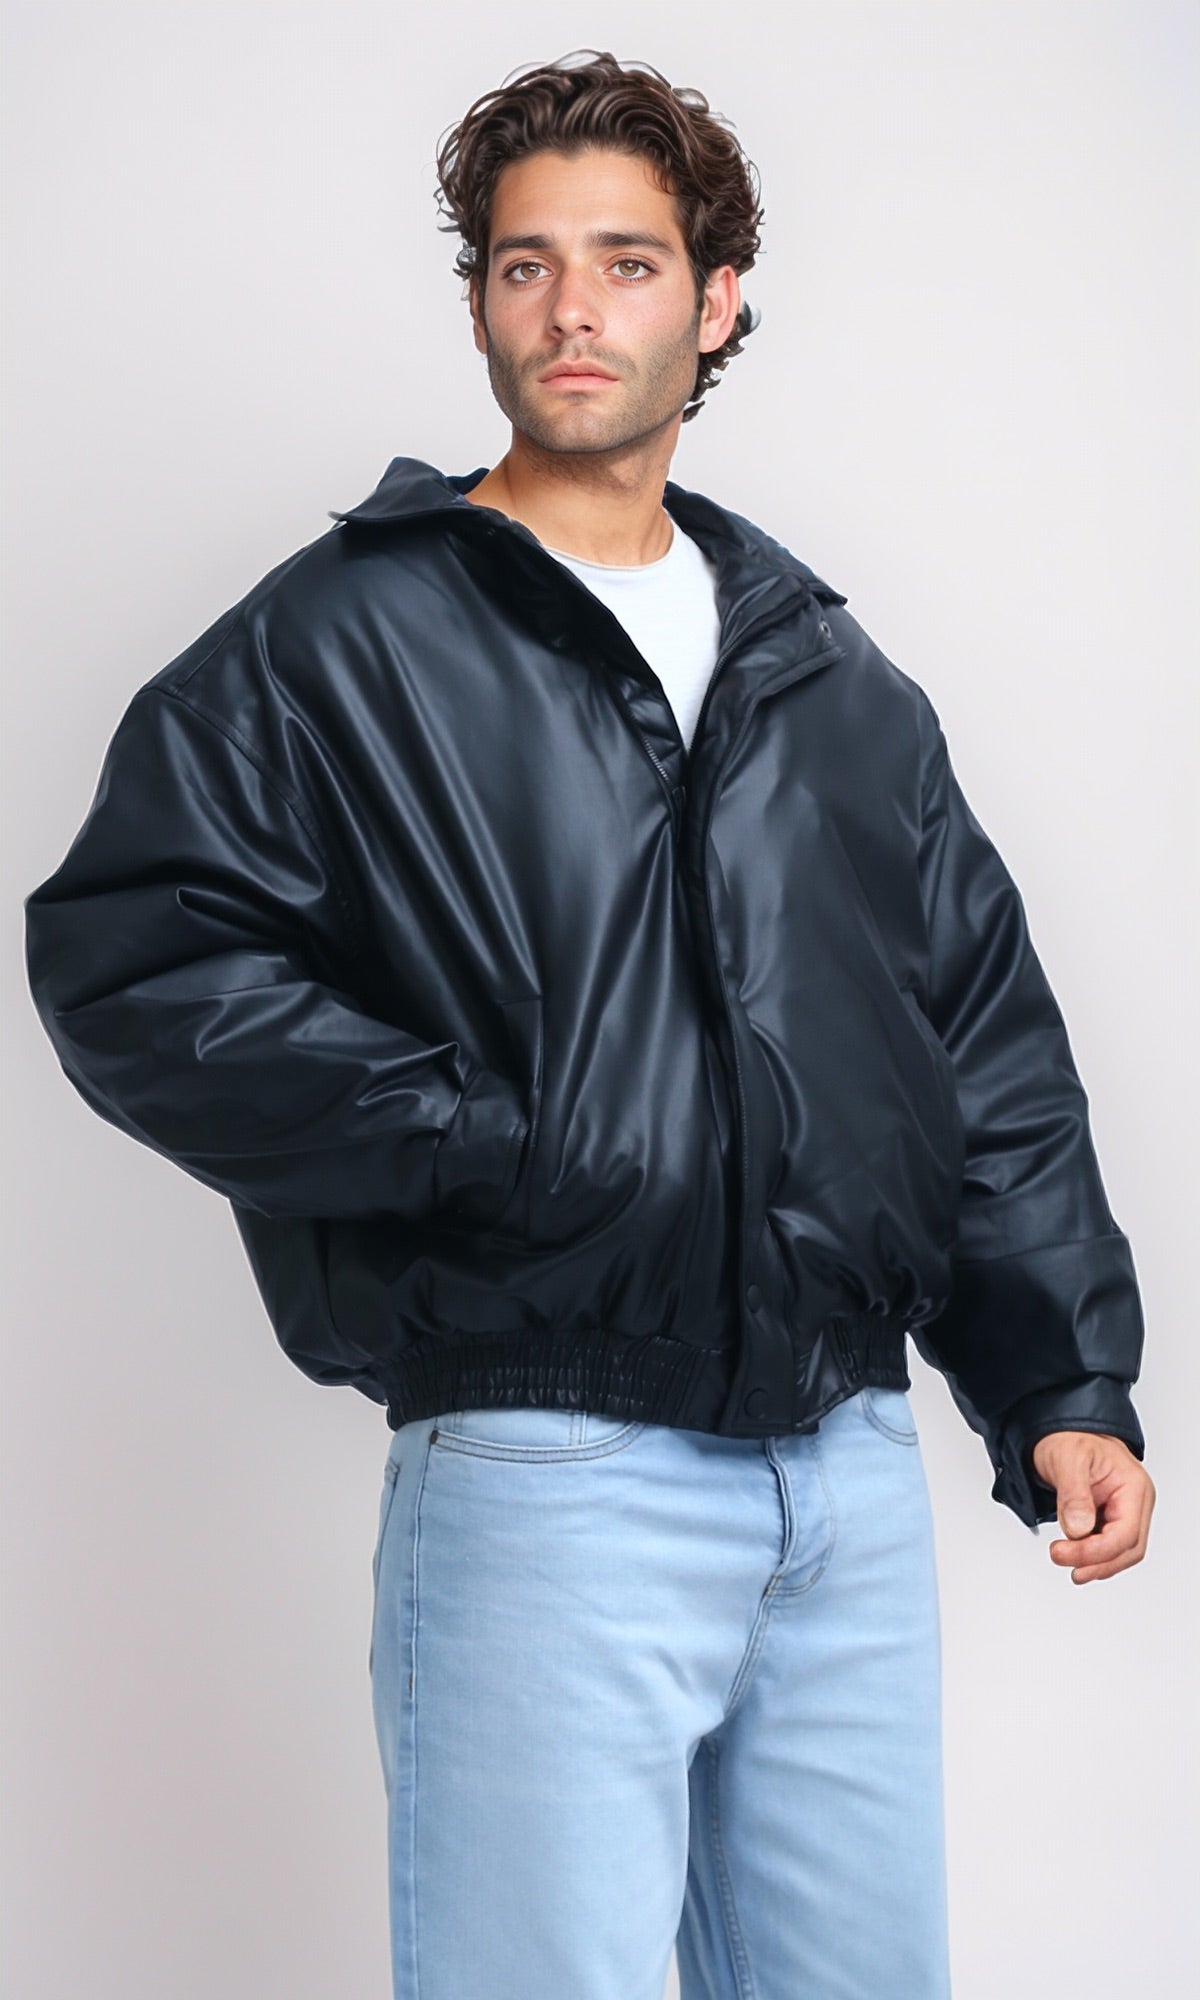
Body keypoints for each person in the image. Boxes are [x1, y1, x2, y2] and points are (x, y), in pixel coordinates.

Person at [23, 48, 1155, 2000]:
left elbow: (977, 1035)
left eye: (627, 262)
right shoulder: (346, 636)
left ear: (714, 304)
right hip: (550, 1465)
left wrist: (1059, 1379)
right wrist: (485, 1142)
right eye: (524, 263)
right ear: (480, 301)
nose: (572, 308)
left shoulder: (828, 674)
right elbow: (137, 957)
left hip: (844, 1476)